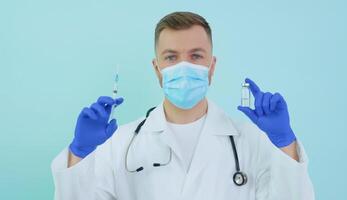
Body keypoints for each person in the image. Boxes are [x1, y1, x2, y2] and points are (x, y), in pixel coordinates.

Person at [51, 11, 314, 200]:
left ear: (212, 67)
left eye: (196, 56)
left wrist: (284, 143)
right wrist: (80, 153)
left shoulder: (253, 141)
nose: (184, 66)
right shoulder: (119, 144)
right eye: (171, 57)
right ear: (157, 69)